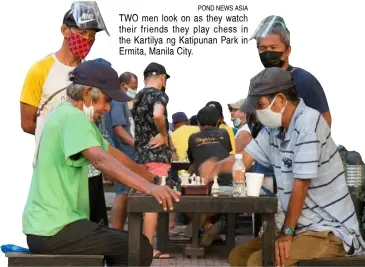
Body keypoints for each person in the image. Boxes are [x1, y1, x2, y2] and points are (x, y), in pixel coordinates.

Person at [200, 67, 365, 266]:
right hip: (300, 227)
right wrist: (216, 166)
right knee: (238, 257)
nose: (257, 112)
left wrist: (286, 233)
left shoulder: (308, 123)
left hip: (329, 230)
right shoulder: (273, 130)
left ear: (280, 100)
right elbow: (245, 159)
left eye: (260, 105)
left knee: (259, 262)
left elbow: (301, 185)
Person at [23, 60, 180, 266]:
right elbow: (100, 159)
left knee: (131, 243)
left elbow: (113, 154)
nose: (107, 108)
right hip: (54, 229)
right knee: (138, 248)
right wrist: (150, 188)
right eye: (106, 100)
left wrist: (151, 178)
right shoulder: (74, 118)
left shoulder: (66, 112)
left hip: (50, 226)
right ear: (88, 93)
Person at [250, 15, 331, 127]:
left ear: (287, 51)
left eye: (273, 48)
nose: (267, 53)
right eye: (263, 48)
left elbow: (325, 120)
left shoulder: (303, 80)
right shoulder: (258, 83)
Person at [132, 62, 173, 259]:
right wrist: (164, 134)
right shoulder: (159, 94)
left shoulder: (137, 97)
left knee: (141, 201)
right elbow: (158, 114)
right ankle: (147, 248)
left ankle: (138, 244)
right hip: (157, 155)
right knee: (153, 202)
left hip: (140, 154)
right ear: (162, 78)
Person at [185, 106, 232, 246]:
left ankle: (204, 225)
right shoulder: (224, 134)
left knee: (188, 199)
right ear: (218, 121)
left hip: (204, 184)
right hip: (226, 182)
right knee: (218, 206)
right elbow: (226, 153)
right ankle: (209, 227)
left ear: (198, 123)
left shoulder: (193, 137)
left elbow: (192, 160)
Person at [104, 71, 138, 231]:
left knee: (125, 193)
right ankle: (117, 230)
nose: (134, 91)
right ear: (123, 86)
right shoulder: (118, 101)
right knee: (122, 193)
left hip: (127, 154)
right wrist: (136, 144)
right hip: (124, 154)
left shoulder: (123, 102)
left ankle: (119, 231)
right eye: (132, 87)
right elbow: (118, 129)